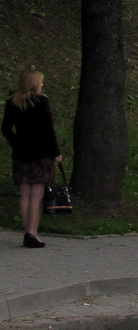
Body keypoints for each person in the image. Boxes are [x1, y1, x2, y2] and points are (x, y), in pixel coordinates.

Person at [2, 70, 61, 248]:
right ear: (35, 83)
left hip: (21, 154)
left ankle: (27, 231)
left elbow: (5, 128)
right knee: (37, 193)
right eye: (41, 82)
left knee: (25, 194)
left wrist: (17, 142)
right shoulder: (42, 101)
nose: (42, 85)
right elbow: (48, 128)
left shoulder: (13, 102)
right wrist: (55, 152)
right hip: (41, 153)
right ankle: (32, 232)